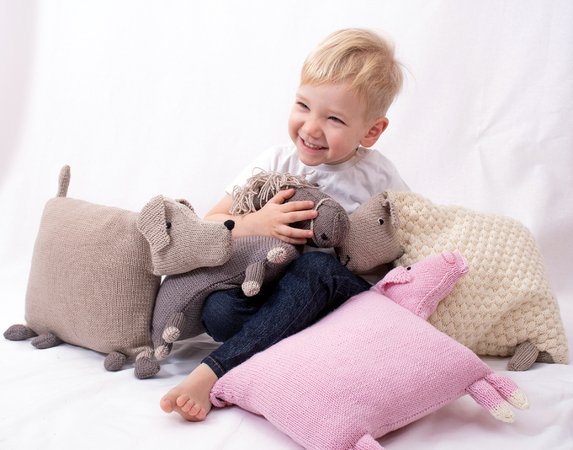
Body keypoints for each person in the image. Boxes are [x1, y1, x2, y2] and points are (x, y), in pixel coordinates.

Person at [160, 28, 409, 421]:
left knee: (316, 265)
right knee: (220, 311)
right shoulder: (276, 162)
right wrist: (254, 222)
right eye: (303, 105)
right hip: (278, 295)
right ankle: (284, 348)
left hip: (338, 300)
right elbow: (211, 221)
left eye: (334, 118)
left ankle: (214, 372)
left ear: (371, 130)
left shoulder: (377, 175)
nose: (310, 128)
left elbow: (412, 236)